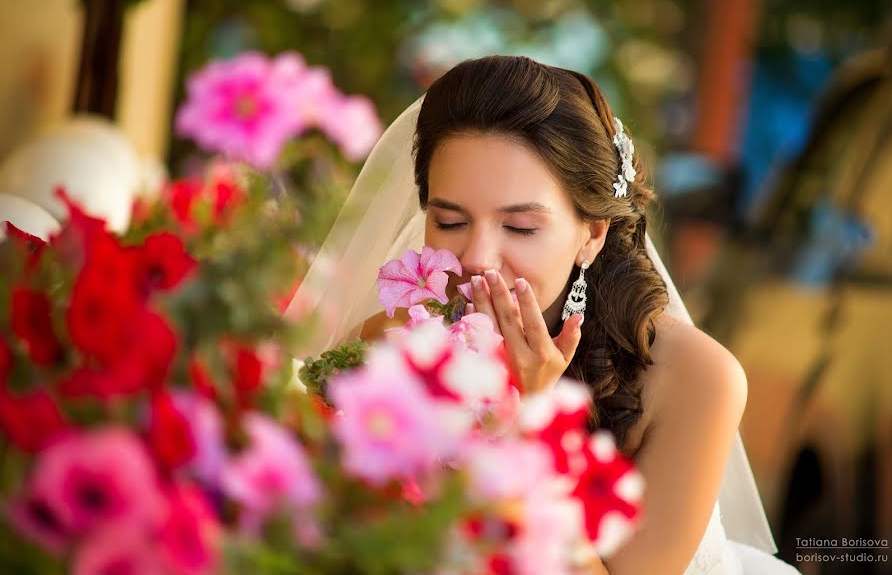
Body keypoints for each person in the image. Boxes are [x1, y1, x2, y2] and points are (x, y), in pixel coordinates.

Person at [287, 55, 800, 575]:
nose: (478, 258)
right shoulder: (391, 344)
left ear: (592, 234)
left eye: (520, 228)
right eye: (449, 221)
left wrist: (526, 422)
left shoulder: (692, 376)